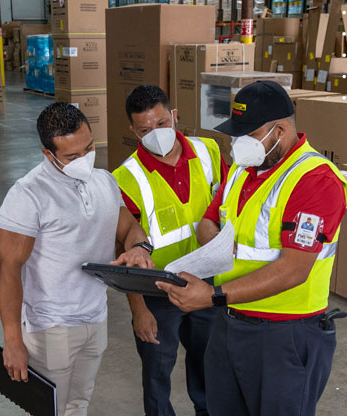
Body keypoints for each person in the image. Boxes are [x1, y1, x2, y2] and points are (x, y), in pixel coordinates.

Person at [157, 81, 347, 416]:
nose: (238, 143)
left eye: (248, 134)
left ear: (279, 130)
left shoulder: (315, 181)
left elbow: (294, 268)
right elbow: (208, 220)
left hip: (284, 335)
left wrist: (212, 296)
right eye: (236, 133)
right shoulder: (242, 169)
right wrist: (216, 244)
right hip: (231, 323)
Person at [0, 103, 154, 416]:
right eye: (71, 156)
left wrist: (140, 248)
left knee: (79, 404)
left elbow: (129, 228)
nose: (84, 159)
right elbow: (9, 269)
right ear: (48, 154)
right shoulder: (28, 194)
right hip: (51, 326)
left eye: (89, 148)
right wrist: (13, 341)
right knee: (50, 409)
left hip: (95, 317)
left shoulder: (105, 182)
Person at [112, 85, 229, 416]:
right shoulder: (125, 177)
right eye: (146, 129)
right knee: (157, 375)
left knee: (209, 367)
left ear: (174, 115)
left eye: (162, 123)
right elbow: (124, 247)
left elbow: (231, 204)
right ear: (132, 130)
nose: (157, 134)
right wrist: (139, 310)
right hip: (157, 292)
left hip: (207, 282)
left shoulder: (209, 152)